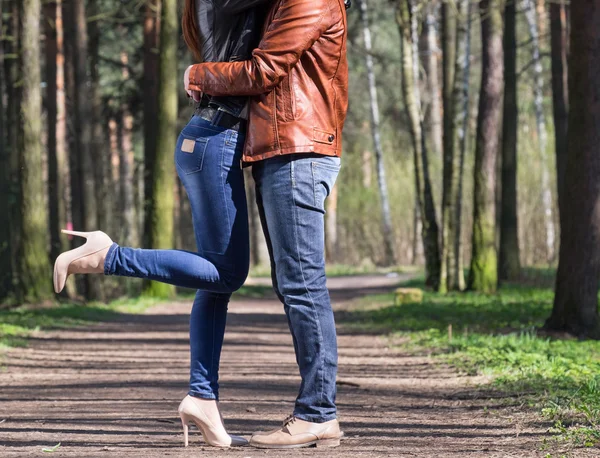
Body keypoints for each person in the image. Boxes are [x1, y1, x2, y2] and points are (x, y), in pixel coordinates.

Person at [53, 0, 271, 448]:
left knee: (215, 282)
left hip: (208, 138)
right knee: (228, 272)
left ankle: (202, 397)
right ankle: (107, 255)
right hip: (215, 140)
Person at [185, 0, 349, 449]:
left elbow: (263, 71)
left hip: (297, 150)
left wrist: (196, 75)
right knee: (294, 282)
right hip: (282, 148)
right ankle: (319, 411)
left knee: (302, 283)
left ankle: (318, 413)